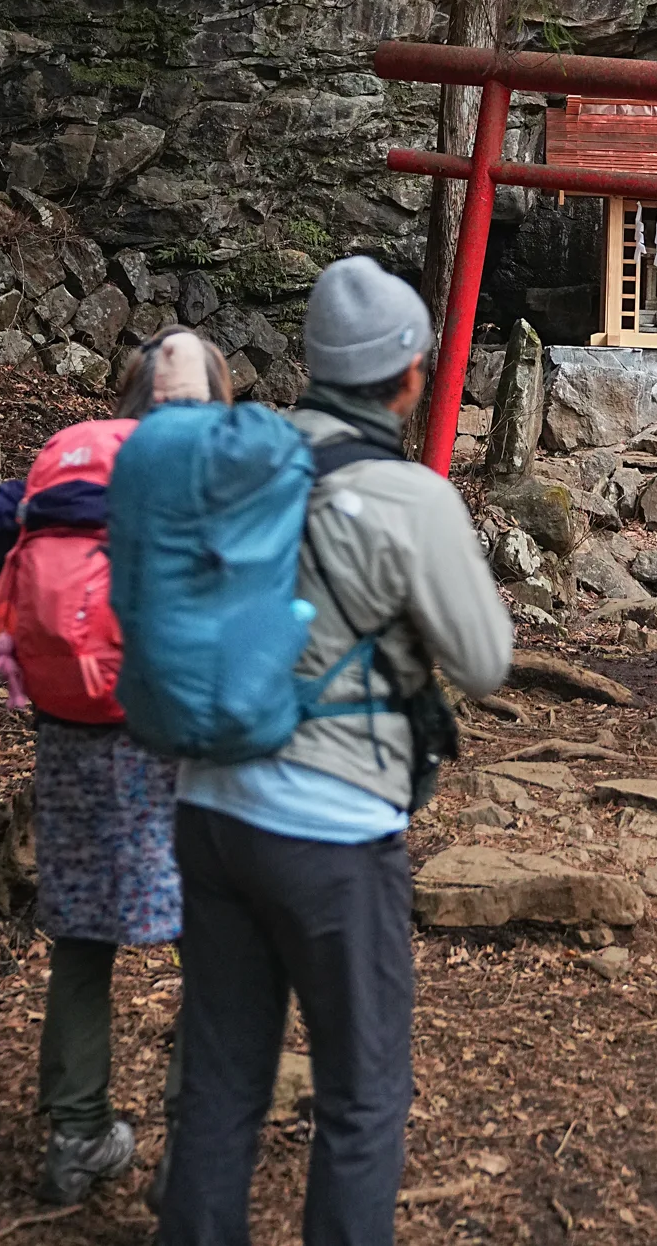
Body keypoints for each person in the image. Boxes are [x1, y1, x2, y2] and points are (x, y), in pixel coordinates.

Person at [156, 256, 514, 1246]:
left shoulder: (232, 464)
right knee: (360, 1099)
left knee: (224, 1082)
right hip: (333, 830)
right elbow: (484, 661)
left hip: (208, 806)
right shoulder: (410, 499)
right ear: (406, 378)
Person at [0, 325, 232, 1209]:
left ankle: (77, 1139)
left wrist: (18, 626)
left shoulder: (69, 458)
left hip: (73, 734)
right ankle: (192, 1153)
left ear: (128, 396)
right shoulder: (219, 471)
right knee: (216, 944)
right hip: (182, 730)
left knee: (81, 931)